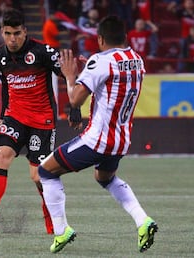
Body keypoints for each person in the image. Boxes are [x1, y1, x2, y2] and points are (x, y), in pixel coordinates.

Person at [37, 15, 158, 254]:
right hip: (121, 139)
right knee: (105, 178)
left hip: (98, 139)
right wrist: (89, 71)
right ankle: (143, 221)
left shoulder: (100, 61)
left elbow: (74, 99)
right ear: (125, 37)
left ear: (100, 39)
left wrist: (71, 75)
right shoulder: (137, 59)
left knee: (45, 171)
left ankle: (62, 232)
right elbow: (110, 81)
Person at [0, 8, 82, 235]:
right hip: (15, 116)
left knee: (38, 176)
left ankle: (53, 223)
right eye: (8, 33)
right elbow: (5, 87)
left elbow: (70, 74)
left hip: (42, 121)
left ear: (25, 32)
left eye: (17, 33)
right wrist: (2, 118)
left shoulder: (42, 52)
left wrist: (75, 107)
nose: (12, 39)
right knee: (3, 155)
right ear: (2, 32)